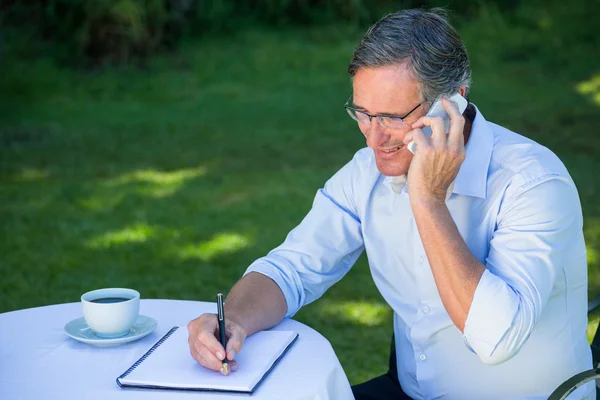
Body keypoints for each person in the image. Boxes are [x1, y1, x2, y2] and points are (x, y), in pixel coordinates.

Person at [187, 8, 593, 399]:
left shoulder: (532, 183)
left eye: (392, 117)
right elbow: (293, 267)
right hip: (408, 392)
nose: (372, 138)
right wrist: (235, 320)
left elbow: (496, 339)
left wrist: (428, 201)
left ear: (454, 101)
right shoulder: (368, 171)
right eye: (363, 113)